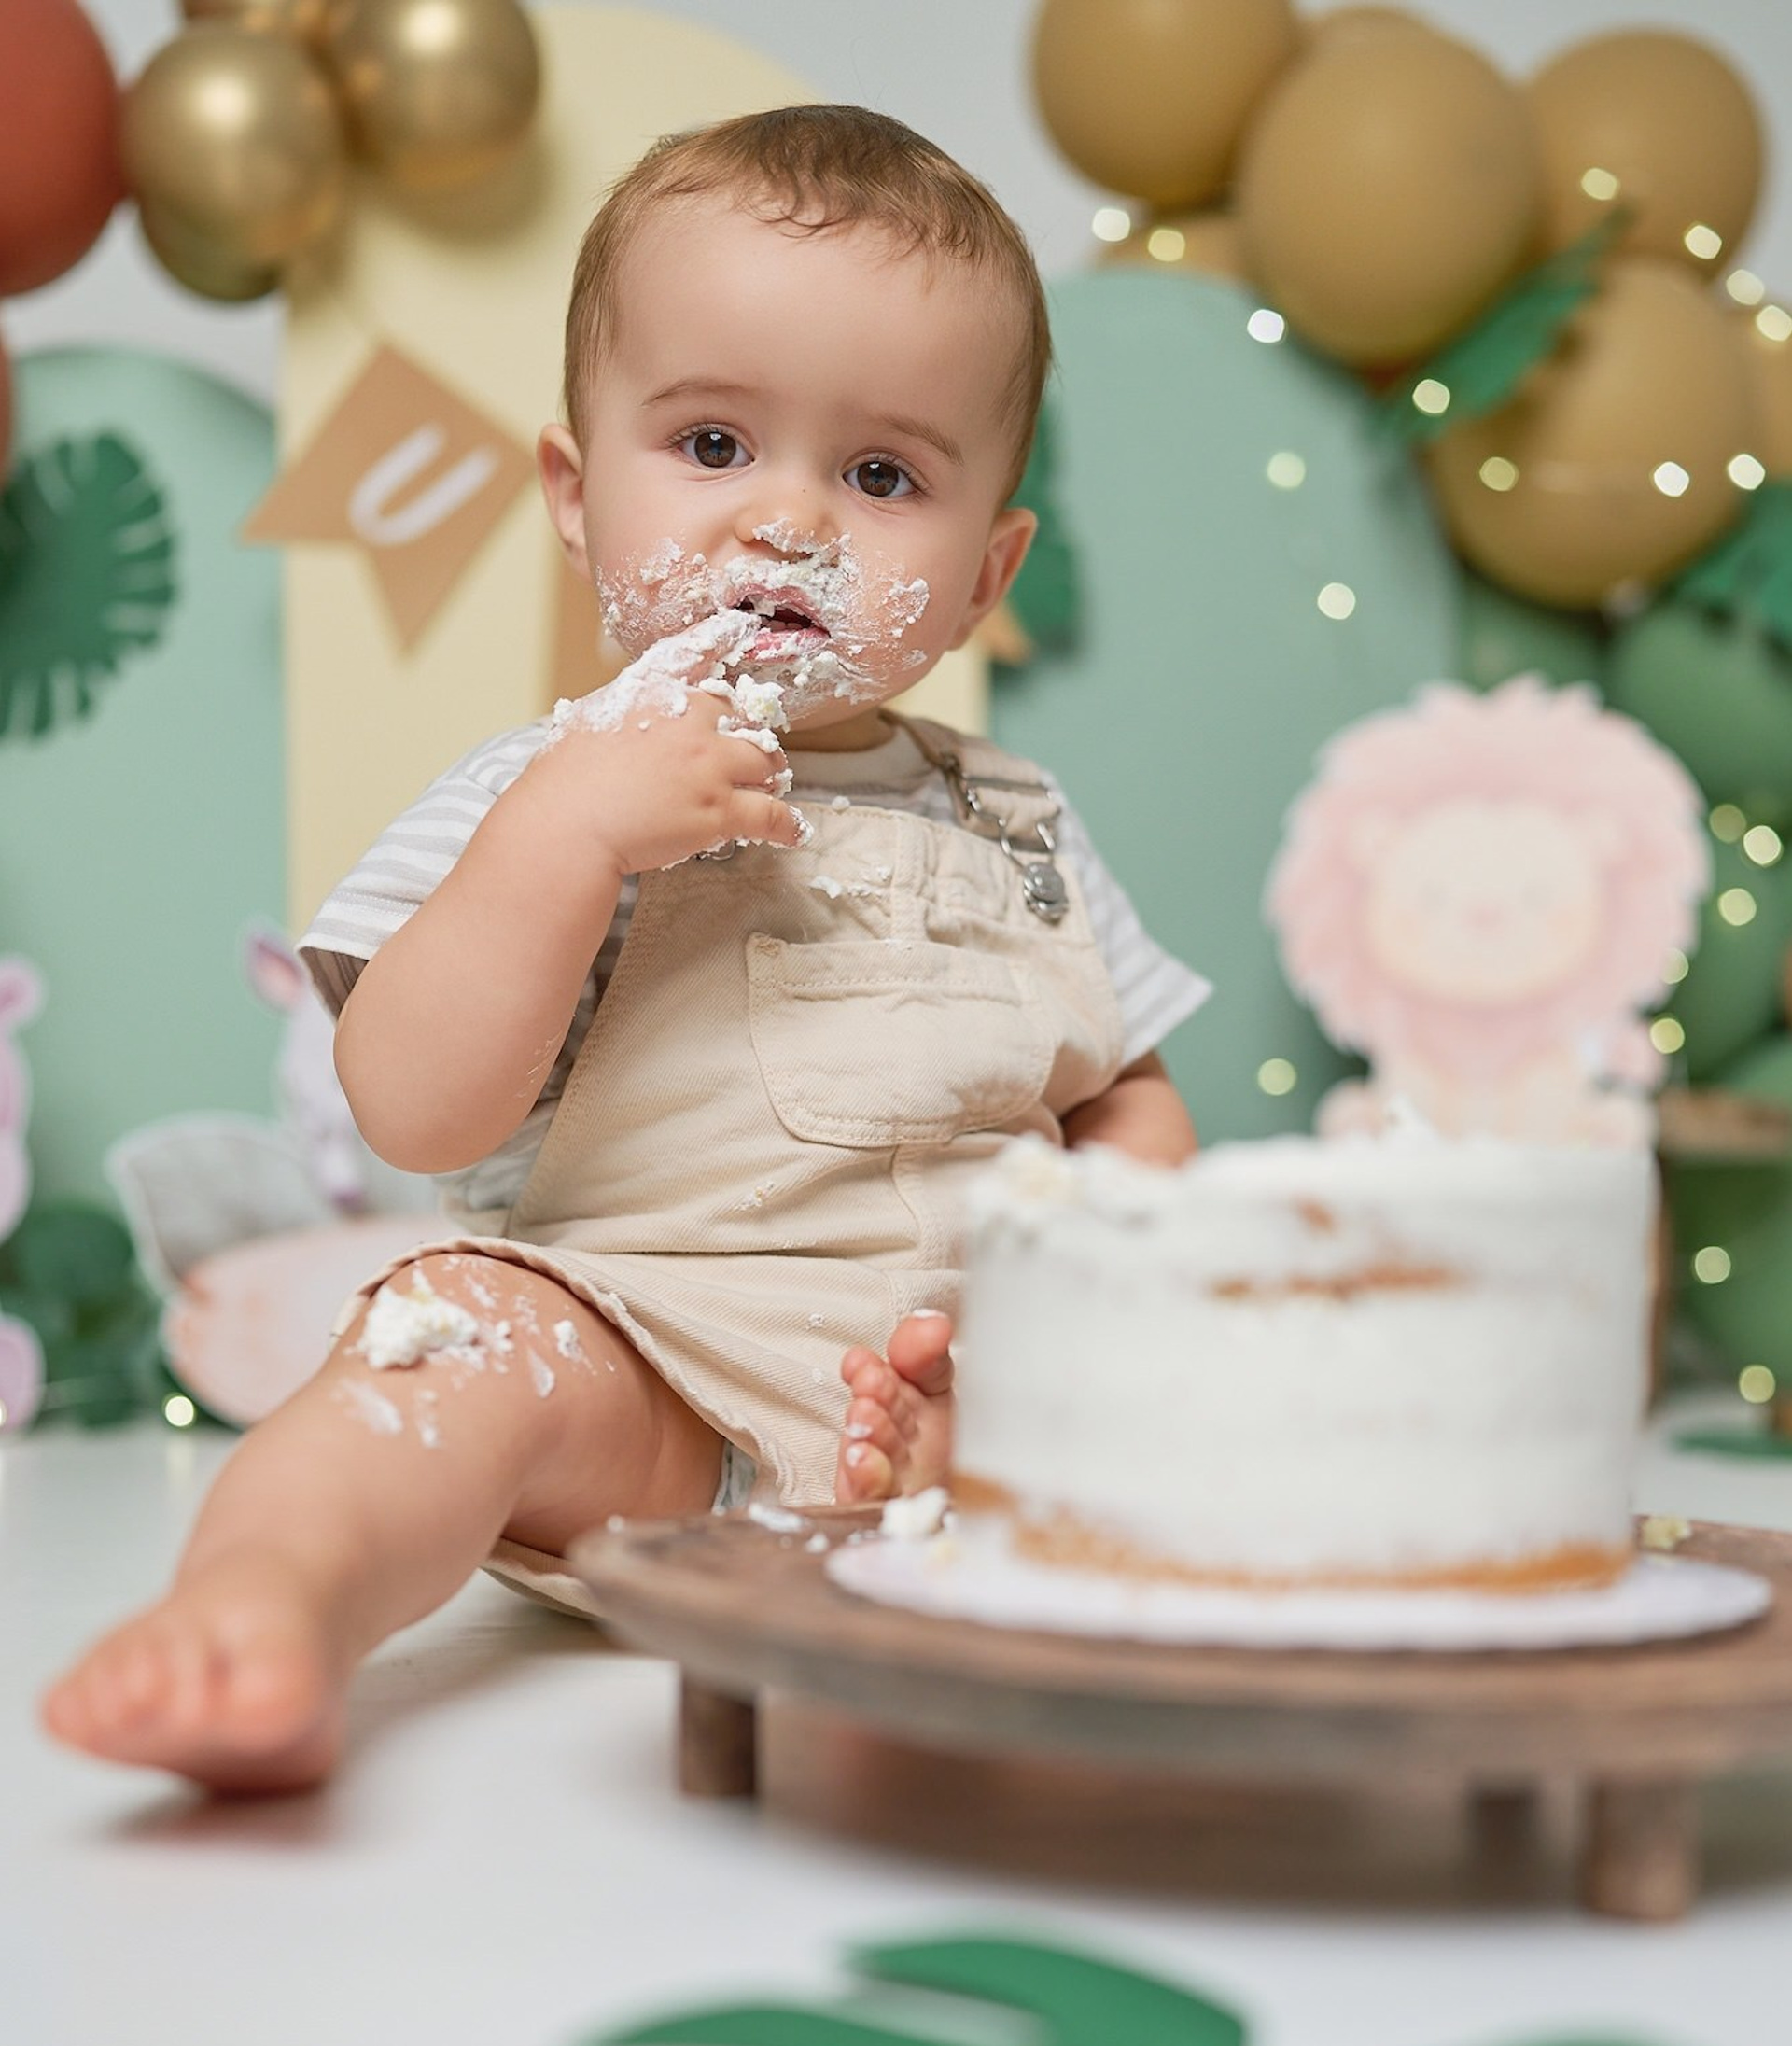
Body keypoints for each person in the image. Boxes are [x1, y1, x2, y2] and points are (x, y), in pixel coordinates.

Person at [43, 104, 1207, 1790]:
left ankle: (951, 1491)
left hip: (955, 1387)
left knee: (1206, 1387)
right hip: (640, 1380)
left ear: (981, 577)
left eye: (884, 475)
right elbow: (416, 1111)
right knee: (443, 1343)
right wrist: (569, 844)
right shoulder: (529, 794)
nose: (791, 522)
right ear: (576, 502)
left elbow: (1130, 1103)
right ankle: (266, 1605)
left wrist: (1113, 1243)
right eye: (715, 446)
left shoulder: (1017, 816)